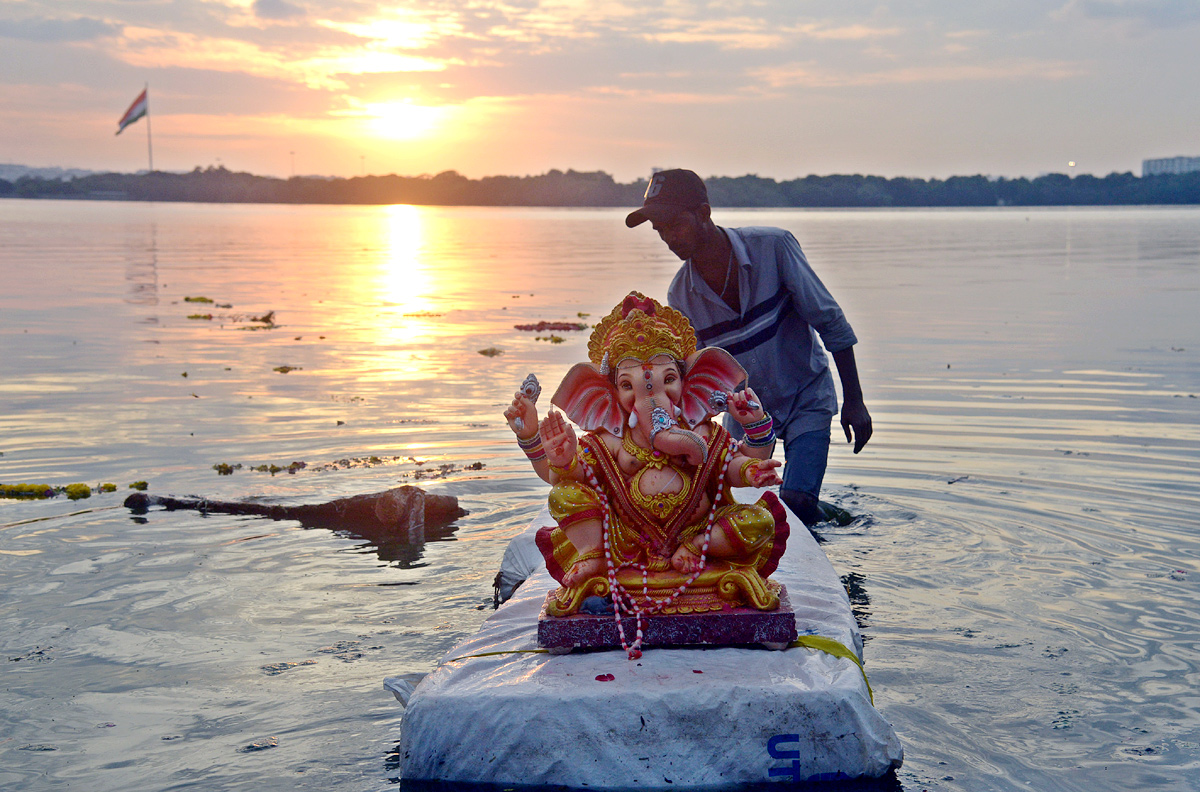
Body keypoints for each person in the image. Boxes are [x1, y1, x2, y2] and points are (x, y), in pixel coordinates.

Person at [625, 168, 872, 527]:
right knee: (737, 514)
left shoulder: (774, 248)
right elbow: (696, 377)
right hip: (743, 412)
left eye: (675, 224)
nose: (668, 238)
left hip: (806, 395)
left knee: (798, 503)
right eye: (660, 230)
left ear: (704, 213)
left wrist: (855, 400)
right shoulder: (681, 295)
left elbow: (829, 321)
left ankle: (827, 514)